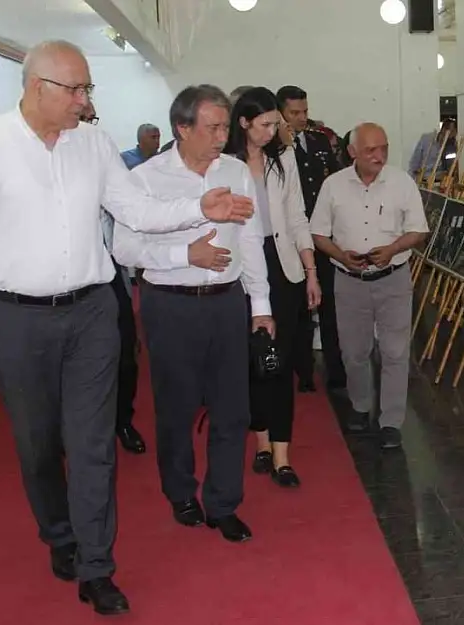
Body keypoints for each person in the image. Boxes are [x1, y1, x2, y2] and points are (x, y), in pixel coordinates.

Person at [0, 40, 253, 615]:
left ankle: (96, 564)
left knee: (92, 447)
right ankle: (60, 536)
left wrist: (197, 211)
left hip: (91, 312)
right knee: (39, 446)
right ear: (39, 87)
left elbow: (135, 210)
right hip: (14, 317)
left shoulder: (94, 145)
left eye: (88, 89)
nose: (87, 102)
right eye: (78, 90)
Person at [113, 84, 270, 544]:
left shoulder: (237, 172)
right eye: (213, 127)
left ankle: (224, 503)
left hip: (226, 304)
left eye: (226, 126)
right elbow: (124, 247)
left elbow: (250, 240)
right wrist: (186, 254)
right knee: (177, 410)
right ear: (182, 128)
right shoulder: (146, 178)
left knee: (232, 411)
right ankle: (181, 492)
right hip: (170, 306)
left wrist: (260, 306)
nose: (223, 136)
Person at [224, 87, 322, 487]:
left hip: (283, 267)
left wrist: (311, 269)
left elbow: (297, 217)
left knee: (279, 363)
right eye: (265, 124)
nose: (272, 131)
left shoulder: (283, 159)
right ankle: (261, 443)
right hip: (239, 270)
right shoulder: (224, 163)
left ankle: (282, 453)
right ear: (244, 123)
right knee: (252, 362)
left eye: (275, 124)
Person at [311, 122, 429, 449]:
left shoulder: (402, 183)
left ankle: (391, 421)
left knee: (394, 352)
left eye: (384, 148)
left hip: (393, 279)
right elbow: (319, 233)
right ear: (352, 153)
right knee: (354, 352)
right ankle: (360, 406)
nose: (379, 156)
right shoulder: (333, 185)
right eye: (370, 150)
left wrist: (392, 249)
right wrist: (341, 256)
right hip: (349, 281)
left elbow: (419, 230)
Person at [81, 101, 146, 455]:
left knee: (124, 354)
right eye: (83, 118)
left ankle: (123, 420)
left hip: (110, 272)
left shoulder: (106, 159)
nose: (90, 123)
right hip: (73, 278)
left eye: (92, 117)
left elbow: (132, 212)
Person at [276, 85, 346, 394]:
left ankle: (335, 370)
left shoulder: (319, 141)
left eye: (305, 111)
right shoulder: (273, 149)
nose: (302, 117)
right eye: (295, 113)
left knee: (329, 304)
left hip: (321, 235)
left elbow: (335, 181)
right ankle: (302, 369)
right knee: (298, 309)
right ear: (281, 113)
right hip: (290, 239)